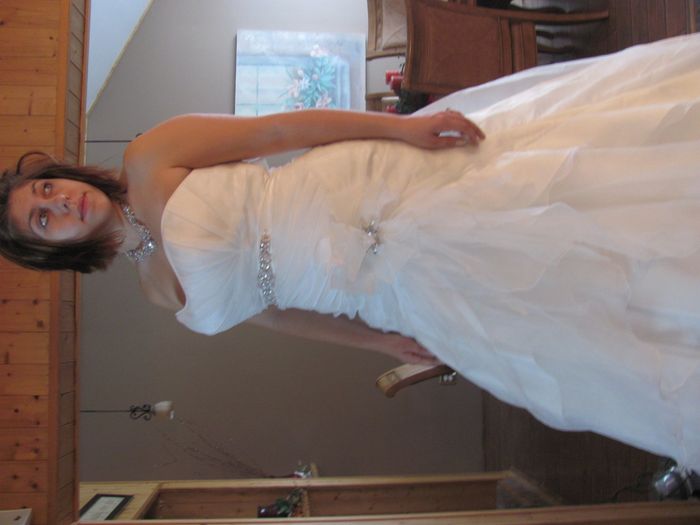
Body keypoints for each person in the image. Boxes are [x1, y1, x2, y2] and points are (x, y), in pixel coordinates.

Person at [1, 32, 699, 471]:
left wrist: (403, 130)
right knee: (542, 303)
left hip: (361, 193)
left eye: (48, 189)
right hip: (375, 293)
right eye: (43, 219)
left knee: (534, 200)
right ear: (52, 251)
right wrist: (378, 342)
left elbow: (280, 131)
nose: (61, 204)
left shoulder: (150, 156)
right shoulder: (157, 290)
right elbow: (272, 313)